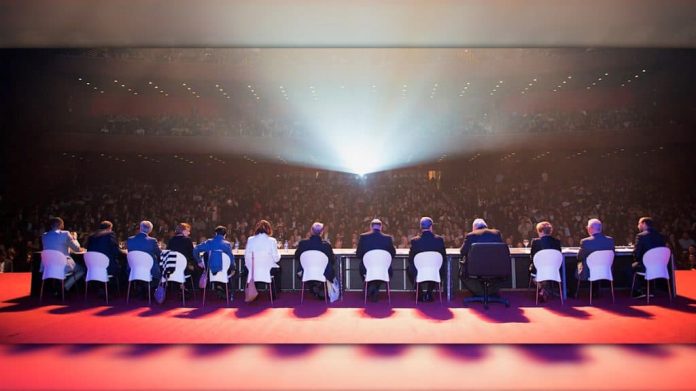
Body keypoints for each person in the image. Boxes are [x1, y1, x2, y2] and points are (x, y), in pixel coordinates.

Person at [459, 218, 504, 298]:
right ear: (486, 226)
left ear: (474, 228)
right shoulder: (496, 233)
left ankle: (480, 293)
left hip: (475, 268)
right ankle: (490, 292)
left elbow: (462, 252)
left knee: (462, 273)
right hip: (495, 268)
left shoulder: (470, 236)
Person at [407, 217, 447, 302]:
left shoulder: (415, 241)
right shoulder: (439, 240)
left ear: (421, 227)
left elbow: (410, 259)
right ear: (431, 227)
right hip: (435, 271)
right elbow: (444, 257)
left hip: (419, 271)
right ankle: (429, 292)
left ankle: (420, 293)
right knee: (439, 267)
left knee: (409, 268)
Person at [40, 217, 86, 291]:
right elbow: (76, 249)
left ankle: (57, 287)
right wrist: (74, 238)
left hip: (48, 265)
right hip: (63, 265)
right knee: (82, 269)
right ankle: (65, 287)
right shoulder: (65, 234)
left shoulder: (44, 235)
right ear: (61, 225)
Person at [294, 222, 336, 300]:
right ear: (322, 232)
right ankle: (319, 286)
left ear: (311, 231)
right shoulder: (326, 245)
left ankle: (313, 285)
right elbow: (332, 260)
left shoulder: (303, 244)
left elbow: (296, 257)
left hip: (306, 272)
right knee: (329, 268)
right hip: (323, 273)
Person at [356, 218, 395, 302]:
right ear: (381, 227)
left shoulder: (363, 237)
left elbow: (358, 254)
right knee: (383, 270)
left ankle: (371, 286)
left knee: (364, 267)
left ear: (371, 227)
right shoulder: (388, 238)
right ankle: (375, 287)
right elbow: (393, 254)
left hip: (367, 269)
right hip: (384, 269)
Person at [575, 218, 614, 296]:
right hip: (606, 270)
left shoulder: (585, 241)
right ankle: (595, 292)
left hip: (588, 272)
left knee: (577, 264)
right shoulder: (610, 240)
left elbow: (579, 257)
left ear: (590, 228)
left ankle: (573, 293)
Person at [244, 220, 281, 299]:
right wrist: (279, 253)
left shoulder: (250, 239)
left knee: (248, 269)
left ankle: (253, 291)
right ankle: (274, 294)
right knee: (279, 270)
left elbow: (246, 257)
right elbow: (276, 259)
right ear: (269, 229)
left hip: (253, 269)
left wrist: (250, 268)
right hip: (267, 270)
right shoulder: (272, 241)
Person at [630, 217, 666, 298]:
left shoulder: (641, 236)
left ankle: (638, 291)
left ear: (644, 224)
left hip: (646, 266)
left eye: (639, 224)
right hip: (660, 267)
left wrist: (634, 253)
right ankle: (650, 290)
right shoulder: (661, 236)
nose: (638, 226)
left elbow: (637, 253)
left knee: (629, 267)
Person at [528, 221, 562, 302]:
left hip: (539, 269)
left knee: (533, 270)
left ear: (541, 231)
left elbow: (532, 257)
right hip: (554, 269)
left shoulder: (535, 242)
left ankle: (542, 289)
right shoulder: (557, 242)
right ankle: (544, 290)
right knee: (545, 270)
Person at [85, 220, 125, 287]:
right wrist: (122, 251)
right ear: (109, 228)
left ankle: (100, 286)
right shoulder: (110, 235)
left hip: (92, 268)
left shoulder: (91, 237)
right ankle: (117, 288)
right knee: (123, 264)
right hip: (107, 268)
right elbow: (116, 252)